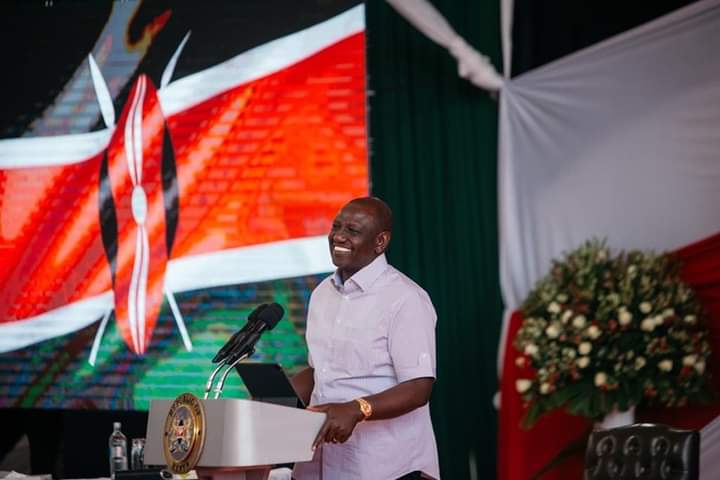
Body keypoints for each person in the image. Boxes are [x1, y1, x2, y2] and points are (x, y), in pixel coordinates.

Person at [291, 197, 440, 480]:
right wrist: (273, 402)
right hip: (319, 460)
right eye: (336, 227)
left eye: (353, 231)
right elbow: (320, 371)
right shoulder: (322, 293)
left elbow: (419, 387)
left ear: (380, 242)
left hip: (386, 466)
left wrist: (357, 409)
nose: (338, 236)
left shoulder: (406, 299)